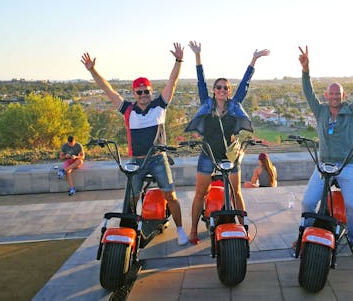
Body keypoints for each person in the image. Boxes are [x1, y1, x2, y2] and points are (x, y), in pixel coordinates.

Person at [80, 43, 189, 246]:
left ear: (150, 91)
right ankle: (128, 232)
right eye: (139, 92)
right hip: (136, 161)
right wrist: (92, 69)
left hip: (157, 159)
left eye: (146, 91)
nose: (143, 95)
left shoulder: (159, 106)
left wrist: (179, 61)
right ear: (134, 94)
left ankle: (180, 228)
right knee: (131, 198)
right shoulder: (127, 110)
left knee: (170, 195)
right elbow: (107, 88)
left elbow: (172, 82)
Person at [296, 43, 353, 262]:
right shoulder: (320, 110)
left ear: (343, 95)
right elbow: (307, 92)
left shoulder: (351, 111)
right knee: (307, 203)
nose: (334, 96)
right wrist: (306, 70)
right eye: (331, 93)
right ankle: (305, 236)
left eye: (337, 93)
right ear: (326, 95)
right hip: (323, 165)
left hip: (347, 165)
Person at [184, 41, 270, 244]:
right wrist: (198, 56)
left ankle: (242, 228)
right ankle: (194, 231)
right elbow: (200, 82)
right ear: (214, 90)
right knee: (200, 193)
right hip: (209, 154)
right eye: (219, 87)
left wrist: (254, 59)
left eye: (226, 88)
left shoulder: (234, 106)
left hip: (230, 155)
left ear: (229, 91)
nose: (222, 90)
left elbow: (245, 85)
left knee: (236, 193)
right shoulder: (207, 103)